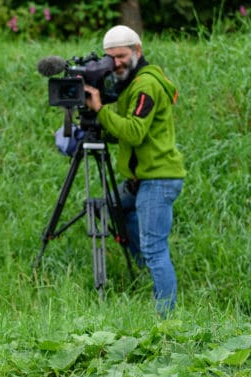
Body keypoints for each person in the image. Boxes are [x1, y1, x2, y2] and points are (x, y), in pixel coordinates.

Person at [84, 25, 186, 317]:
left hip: (158, 179)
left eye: (121, 56)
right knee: (110, 208)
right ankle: (145, 271)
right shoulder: (130, 83)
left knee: (156, 250)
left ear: (137, 51)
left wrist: (101, 110)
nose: (115, 63)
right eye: (110, 58)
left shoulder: (146, 85)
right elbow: (126, 131)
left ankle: (165, 320)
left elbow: (134, 132)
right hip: (140, 180)